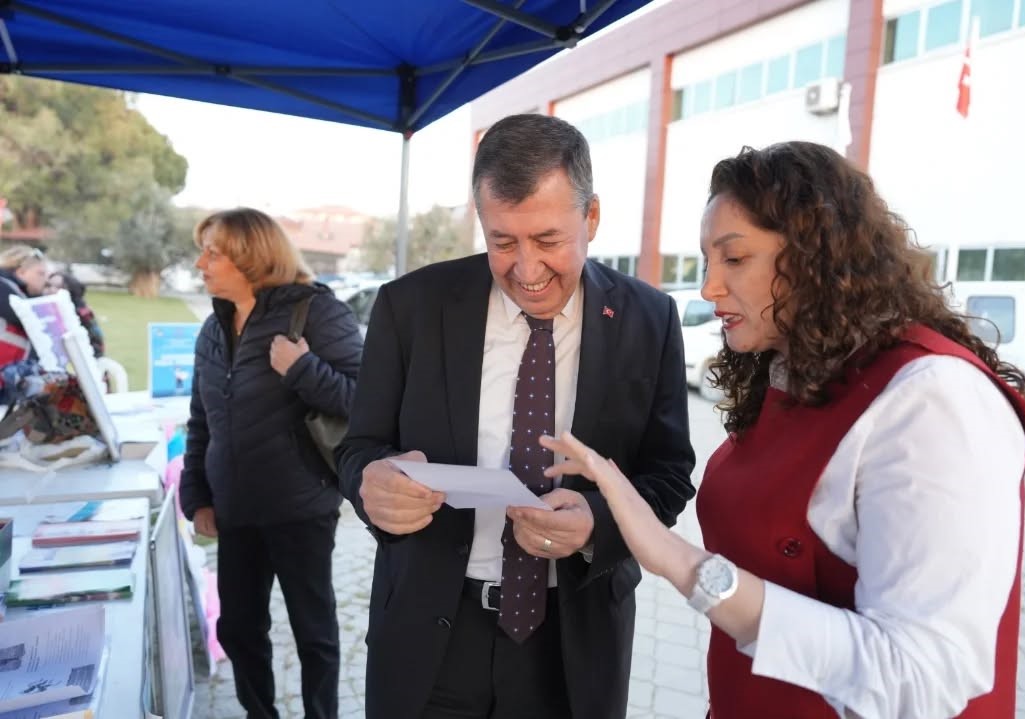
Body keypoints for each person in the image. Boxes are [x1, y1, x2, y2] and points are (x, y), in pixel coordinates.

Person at [540, 141, 1025, 719]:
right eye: (706, 262)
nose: (708, 289)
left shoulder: (933, 400)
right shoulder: (798, 372)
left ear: (814, 256)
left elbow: (923, 679)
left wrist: (679, 560)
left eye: (735, 259)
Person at [335, 113, 696, 719]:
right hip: (431, 638)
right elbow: (359, 447)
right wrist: (370, 483)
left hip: (573, 644)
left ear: (593, 218)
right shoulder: (410, 307)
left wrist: (598, 524)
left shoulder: (649, 320)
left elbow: (669, 472)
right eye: (503, 242)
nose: (526, 271)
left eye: (548, 241)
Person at [178, 208, 362, 719]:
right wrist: (197, 495)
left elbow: (368, 400)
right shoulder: (212, 330)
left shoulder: (318, 313)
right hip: (236, 508)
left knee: (313, 632)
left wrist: (303, 369)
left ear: (252, 257)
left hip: (301, 505)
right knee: (237, 629)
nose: (201, 263)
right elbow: (202, 420)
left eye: (213, 252)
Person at [0, 245, 48, 366]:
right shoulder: (4, 290)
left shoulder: (21, 294)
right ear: (21, 272)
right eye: (40, 273)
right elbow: (36, 321)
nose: (46, 280)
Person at [43, 271, 106, 357]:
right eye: (48, 285)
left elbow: (98, 346)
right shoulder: (43, 311)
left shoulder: (83, 313)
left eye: (59, 287)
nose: (51, 290)